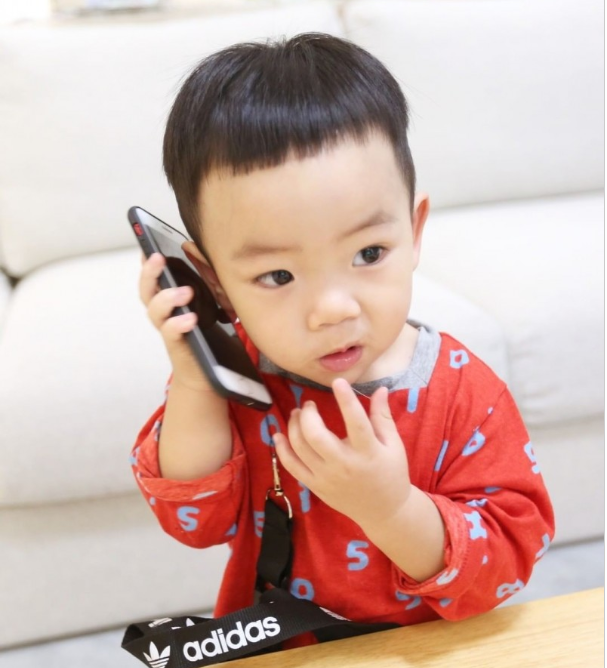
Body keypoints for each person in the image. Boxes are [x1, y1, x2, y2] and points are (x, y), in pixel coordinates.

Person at [132, 33, 554, 636]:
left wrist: (392, 509)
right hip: (285, 661)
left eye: (369, 253)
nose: (333, 309)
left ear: (414, 231)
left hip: (431, 662)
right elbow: (194, 522)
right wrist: (196, 382)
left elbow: (508, 561)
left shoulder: (464, 393)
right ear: (213, 281)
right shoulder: (240, 378)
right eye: (278, 275)